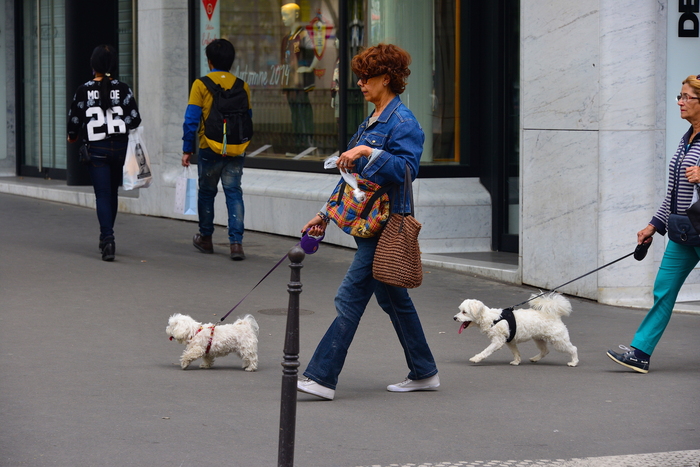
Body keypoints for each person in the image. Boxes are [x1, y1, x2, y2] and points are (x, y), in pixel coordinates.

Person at [296, 44, 439, 401]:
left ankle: (321, 377)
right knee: (394, 300)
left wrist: (367, 152)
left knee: (349, 296)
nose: (359, 83)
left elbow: (407, 170)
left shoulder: (403, 122)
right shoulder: (372, 120)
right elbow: (349, 177)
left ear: (386, 78)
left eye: (366, 77)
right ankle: (424, 372)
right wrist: (325, 214)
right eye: (358, 76)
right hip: (367, 221)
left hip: (385, 224)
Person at [607, 74, 700, 373]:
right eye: (680, 96)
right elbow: (674, 192)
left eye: (687, 97)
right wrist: (653, 225)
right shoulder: (686, 139)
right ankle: (640, 353)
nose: (680, 102)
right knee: (663, 290)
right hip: (684, 231)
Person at [67, 44, 141, 262]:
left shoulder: (84, 89)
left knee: (102, 195)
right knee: (112, 194)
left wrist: (73, 136)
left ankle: (108, 239)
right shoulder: (124, 89)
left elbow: (74, 120)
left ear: (93, 65)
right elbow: (135, 119)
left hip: (96, 149)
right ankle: (106, 236)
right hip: (119, 148)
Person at [182, 38, 252, 261]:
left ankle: (206, 238)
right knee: (234, 193)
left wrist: (187, 149)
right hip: (236, 148)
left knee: (206, 193)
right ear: (231, 62)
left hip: (209, 147)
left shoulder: (201, 84)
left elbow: (191, 119)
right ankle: (236, 243)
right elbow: (248, 118)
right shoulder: (242, 85)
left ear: (209, 61)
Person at [281, 3, 317, 153]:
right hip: (290, 84)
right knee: (295, 115)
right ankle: (299, 146)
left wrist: (308, 68)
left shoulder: (303, 35)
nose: (283, 18)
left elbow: (316, 54)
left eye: (286, 15)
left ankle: (308, 146)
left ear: (295, 15)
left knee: (303, 115)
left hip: (301, 84)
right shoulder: (286, 39)